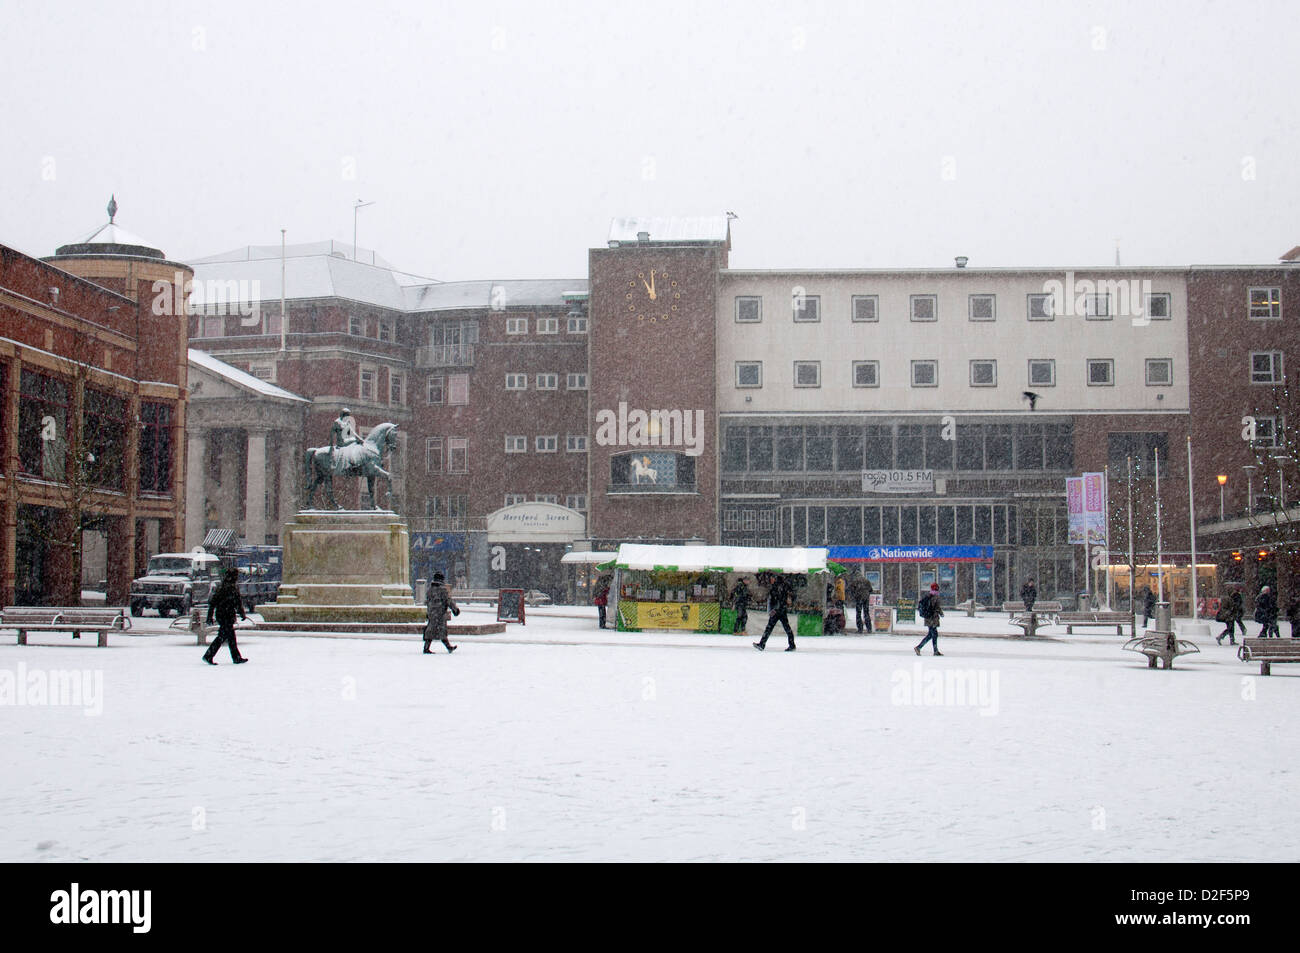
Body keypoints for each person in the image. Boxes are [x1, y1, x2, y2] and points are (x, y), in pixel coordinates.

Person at [202, 567, 248, 665]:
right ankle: (208, 655)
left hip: (222, 615)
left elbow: (213, 603)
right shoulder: (231, 588)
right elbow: (238, 603)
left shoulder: (222, 587)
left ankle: (236, 657)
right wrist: (242, 613)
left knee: (230, 637)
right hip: (227, 616)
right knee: (222, 637)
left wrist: (210, 616)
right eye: (236, 576)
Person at [754, 572, 796, 651]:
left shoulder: (777, 587)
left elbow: (777, 599)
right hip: (781, 610)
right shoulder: (782, 586)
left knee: (769, 628)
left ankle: (762, 644)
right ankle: (792, 644)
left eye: (771, 579)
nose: (771, 580)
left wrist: (774, 609)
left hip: (777, 611)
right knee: (786, 628)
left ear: (775, 579)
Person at [424, 571, 460, 653]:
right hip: (440, 613)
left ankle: (427, 647)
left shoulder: (430, 590)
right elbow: (448, 600)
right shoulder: (442, 590)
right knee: (441, 631)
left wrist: (428, 612)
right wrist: (455, 609)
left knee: (430, 630)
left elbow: (427, 602)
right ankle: (448, 647)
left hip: (432, 613)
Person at [914, 582, 943, 656]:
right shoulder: (935, 597)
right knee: (933, 634)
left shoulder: (928, 596)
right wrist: (940, 613)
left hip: (928, 618)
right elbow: (936, 607)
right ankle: (920, 647)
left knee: (932, 634)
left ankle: (933, 650)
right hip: (933, 618)